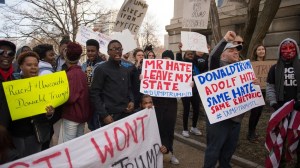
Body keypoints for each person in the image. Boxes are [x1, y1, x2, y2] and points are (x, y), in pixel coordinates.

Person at [204, 31, 244, 168]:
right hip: (219, 120)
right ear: (223, 54)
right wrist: (225, 39)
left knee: (228, 152)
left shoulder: (242, 69)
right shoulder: (218, 66)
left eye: (237, 50)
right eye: (231, 50)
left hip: (236, 119)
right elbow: (213, 56)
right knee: (213, 151)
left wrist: (254, 84)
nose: (236, 52)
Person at [9, 51, 54, 158]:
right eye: (29, 65)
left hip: (36, 135)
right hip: (16, 135)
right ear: (21, 66)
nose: (33, 68)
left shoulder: (44, 86)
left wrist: (49, 114)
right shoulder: (13, 86)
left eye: (36, 65)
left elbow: (48, 114)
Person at [266, 38, 300, 167]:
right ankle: (280, 163)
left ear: (296, 50)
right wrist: (274, 103)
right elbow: (270, 86)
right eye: (284, 49)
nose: (288, 51)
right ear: (279, 51)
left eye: (291, 48)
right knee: (281, 138)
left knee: (297, 136)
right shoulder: (274, 68)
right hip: (281, 110)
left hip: (298, 111)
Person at [90, 40, 134, 126]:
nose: (117, 51)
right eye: (113, 49)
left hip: (125, 114)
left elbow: (129, 89)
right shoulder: (101, 69)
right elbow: (94, 93)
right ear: (108, 52)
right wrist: (104, 115)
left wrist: (131, 101)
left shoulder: (125, 70)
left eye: (119, 49)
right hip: (110, 116)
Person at [59, 42, 92, 143]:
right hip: (82, 116)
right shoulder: (82, 73)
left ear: (66, 55)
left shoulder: (71, 74)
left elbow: (71, 97)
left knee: (68, 147)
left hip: (72, 116)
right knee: (78, 146)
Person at [152, 50, 180, 165]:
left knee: (169, 129)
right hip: (157, 104)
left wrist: (189, 85)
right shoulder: (155, 70)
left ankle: (170, 152)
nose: (167, 61)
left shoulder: (177, 72)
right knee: (157, 128)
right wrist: (143, 79)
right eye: (165, 58)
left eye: (169, 58)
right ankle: (155, 154)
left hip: (171, 105)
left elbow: (182, 88)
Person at [247, 44, 266, 143]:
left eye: (263, 49)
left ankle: (253, 130)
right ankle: (250, 133)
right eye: (259, 49)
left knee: (259, 113)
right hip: (255, 91)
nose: (261, 51)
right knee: (254, 113)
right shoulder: (252, 64)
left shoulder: (267, 64)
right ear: (256, 52)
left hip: (263, 91)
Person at [181, 50, 202, 138]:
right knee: (186, 109)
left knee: (196, 109)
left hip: (195, 91)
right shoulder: (182, 64)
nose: (190, 56)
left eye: (191, 54)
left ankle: (193, 127)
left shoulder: (195, 64)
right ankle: (185, 129)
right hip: (185, 91)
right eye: (188, 54)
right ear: (185, 55)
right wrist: (180, 51)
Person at [0, 40, 17, 129]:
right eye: (1, 52)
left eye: (10, 53)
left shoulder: (16, 80)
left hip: (11, 136)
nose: (6, 55)